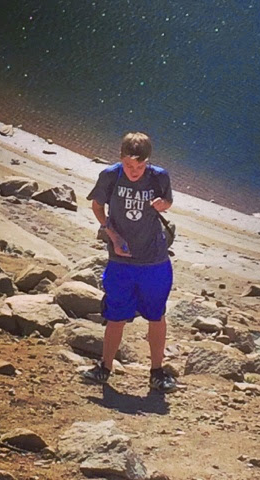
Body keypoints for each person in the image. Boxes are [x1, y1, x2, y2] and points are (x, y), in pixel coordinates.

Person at [83, 132, 177, 393]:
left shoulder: (159, 176)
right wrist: (112, 235)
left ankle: (157, 372)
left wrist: (163, 205)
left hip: (154, 259)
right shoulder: (110, 176)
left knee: (156, 315)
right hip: (121, 260)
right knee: (115, 316)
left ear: (148, 161)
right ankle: (104, 368)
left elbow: (168, 202)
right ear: (121, 158)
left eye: (139, 166)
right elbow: (97, 206)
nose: (134, 171)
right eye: (128, 165)